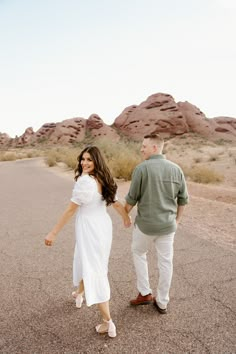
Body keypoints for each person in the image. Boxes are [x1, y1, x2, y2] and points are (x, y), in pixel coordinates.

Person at [44, 145, 131, 338]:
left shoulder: (85, 182)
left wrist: (53, 232)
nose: (84, 163)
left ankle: (108, 322)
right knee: (89, 262)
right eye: (82, 159)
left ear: (96, 161)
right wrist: (125, 217)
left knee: (96, 270)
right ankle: (80, 294)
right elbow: (116, 203)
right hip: (102, 227)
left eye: (89, 160)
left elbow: (70, 210)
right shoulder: (105, 178)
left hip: (90, 229)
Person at [124, 134, 189, 314]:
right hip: (168, 226)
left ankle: (145, 293)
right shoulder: (177, 169)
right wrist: (177, 221)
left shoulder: (141, 169)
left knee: (139, 252)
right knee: (166, 262)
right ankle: (162, 302)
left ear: (155, 148)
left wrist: (124, 215)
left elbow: (131, 199)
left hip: (145, 225)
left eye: (144, 146)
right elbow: (183, 200)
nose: (141, 149)